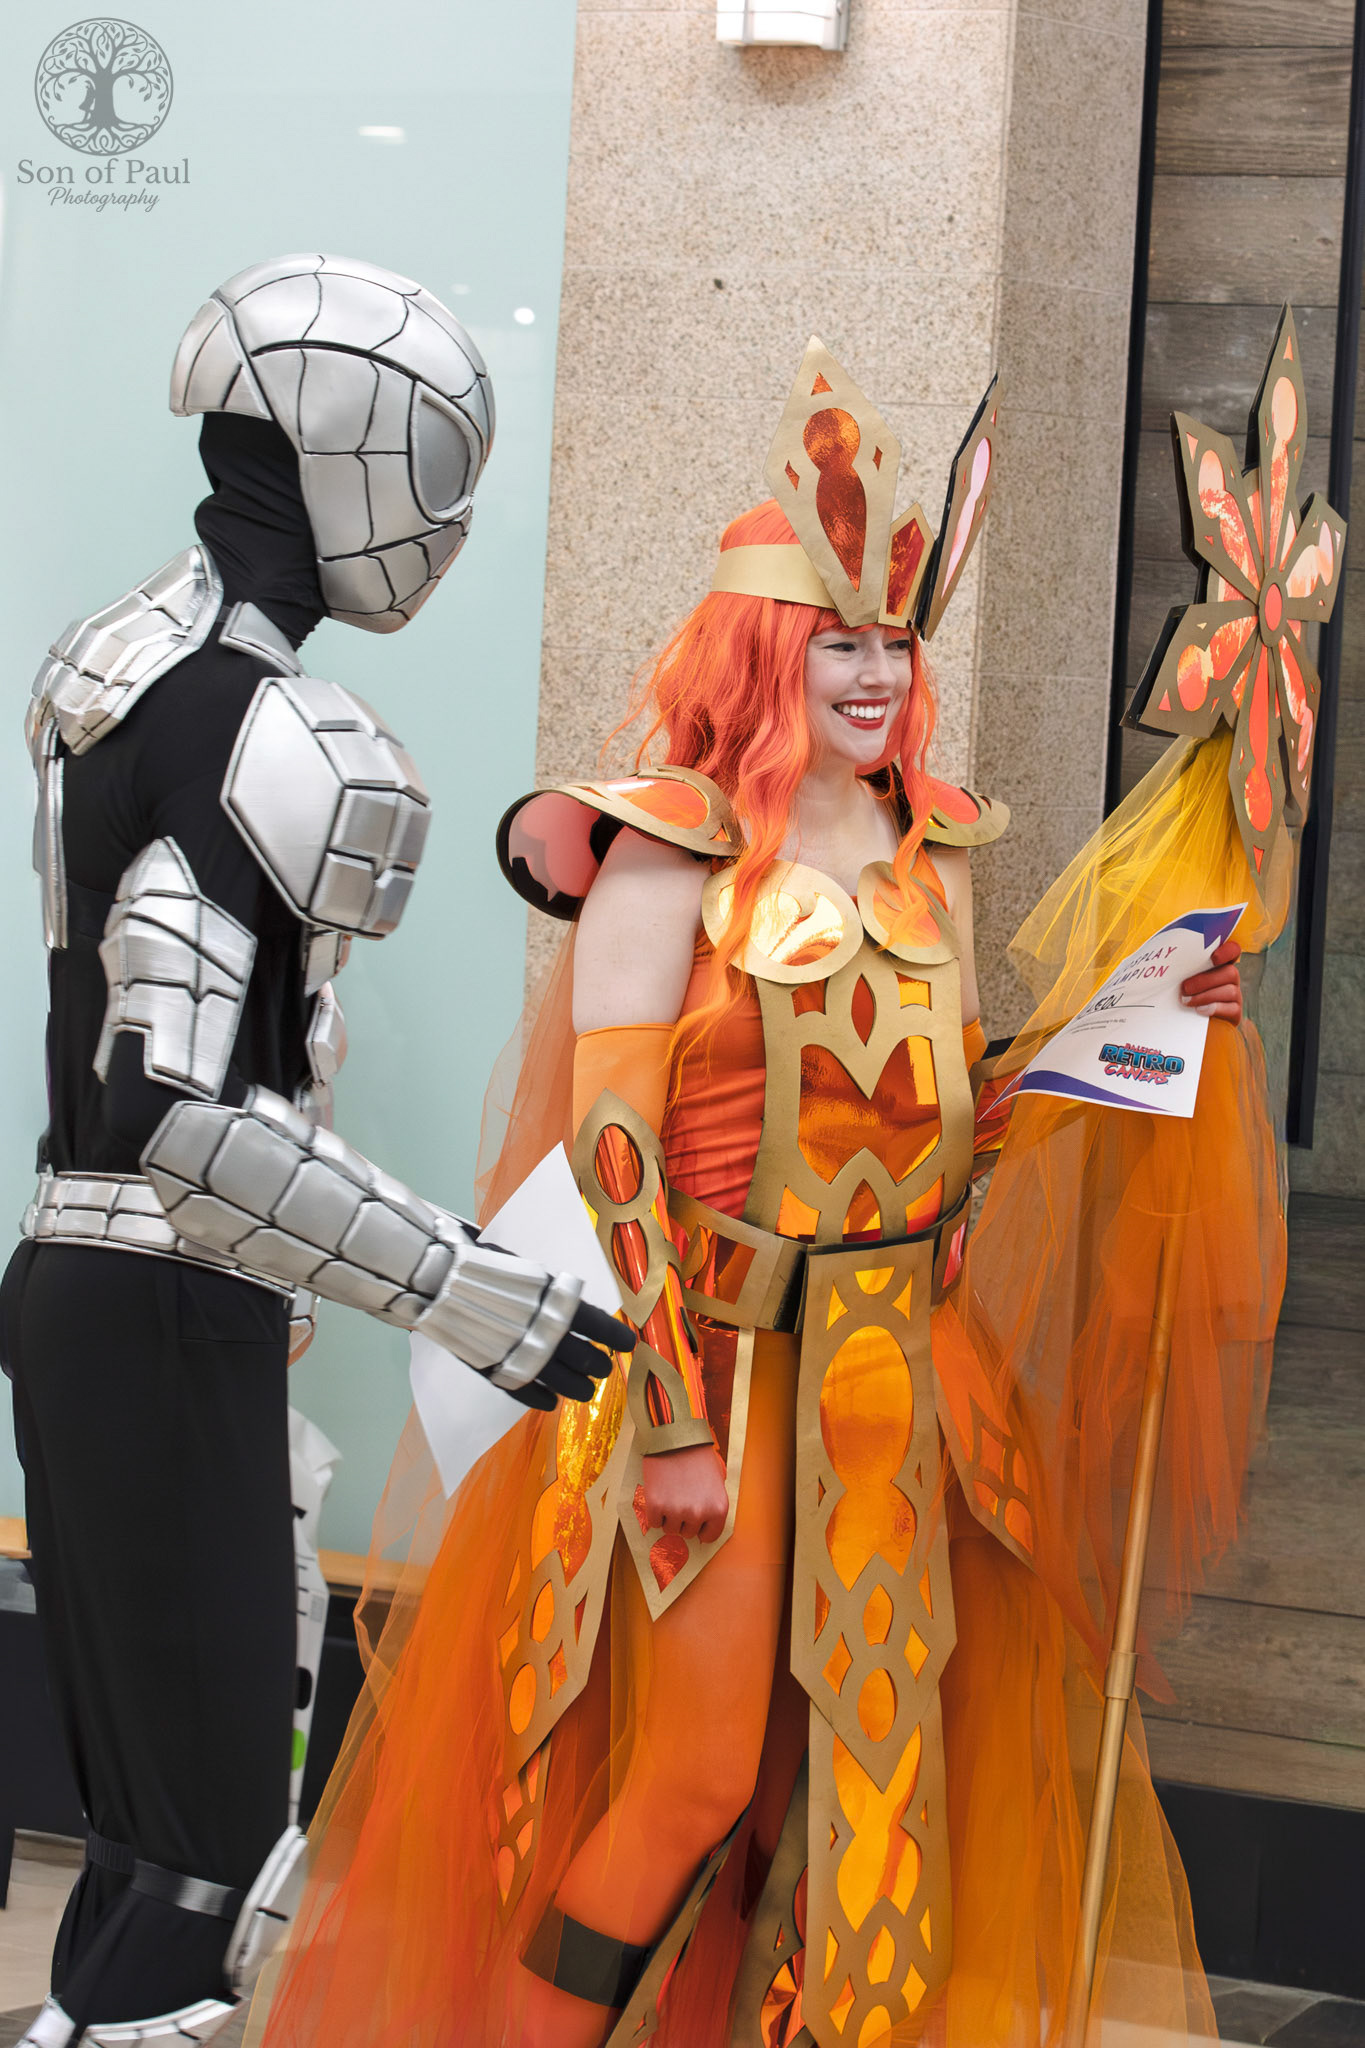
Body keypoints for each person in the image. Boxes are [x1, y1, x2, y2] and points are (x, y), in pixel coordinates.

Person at [258, 338, 1282, 2048]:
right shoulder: (661, 848)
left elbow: (940, 1134)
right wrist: (668, 1422)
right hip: (715, 1375)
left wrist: (1129, 1025)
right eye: (838, 640)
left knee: (845, 1787)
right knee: (693, 1774)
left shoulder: (926, 848)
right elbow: (613, 1158)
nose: (875, 673)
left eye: (895, 641)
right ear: (762, 644)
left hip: (891, 1386)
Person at [3, 254, 624, 2048]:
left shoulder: (113, 678)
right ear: (349, 451)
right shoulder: (268, 730)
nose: (445, 522)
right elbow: (180, 1114)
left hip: (105, 1293)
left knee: (159, 1846)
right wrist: (477, 1297)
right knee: (201, 1871)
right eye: (435, 462)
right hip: (159, 1295)